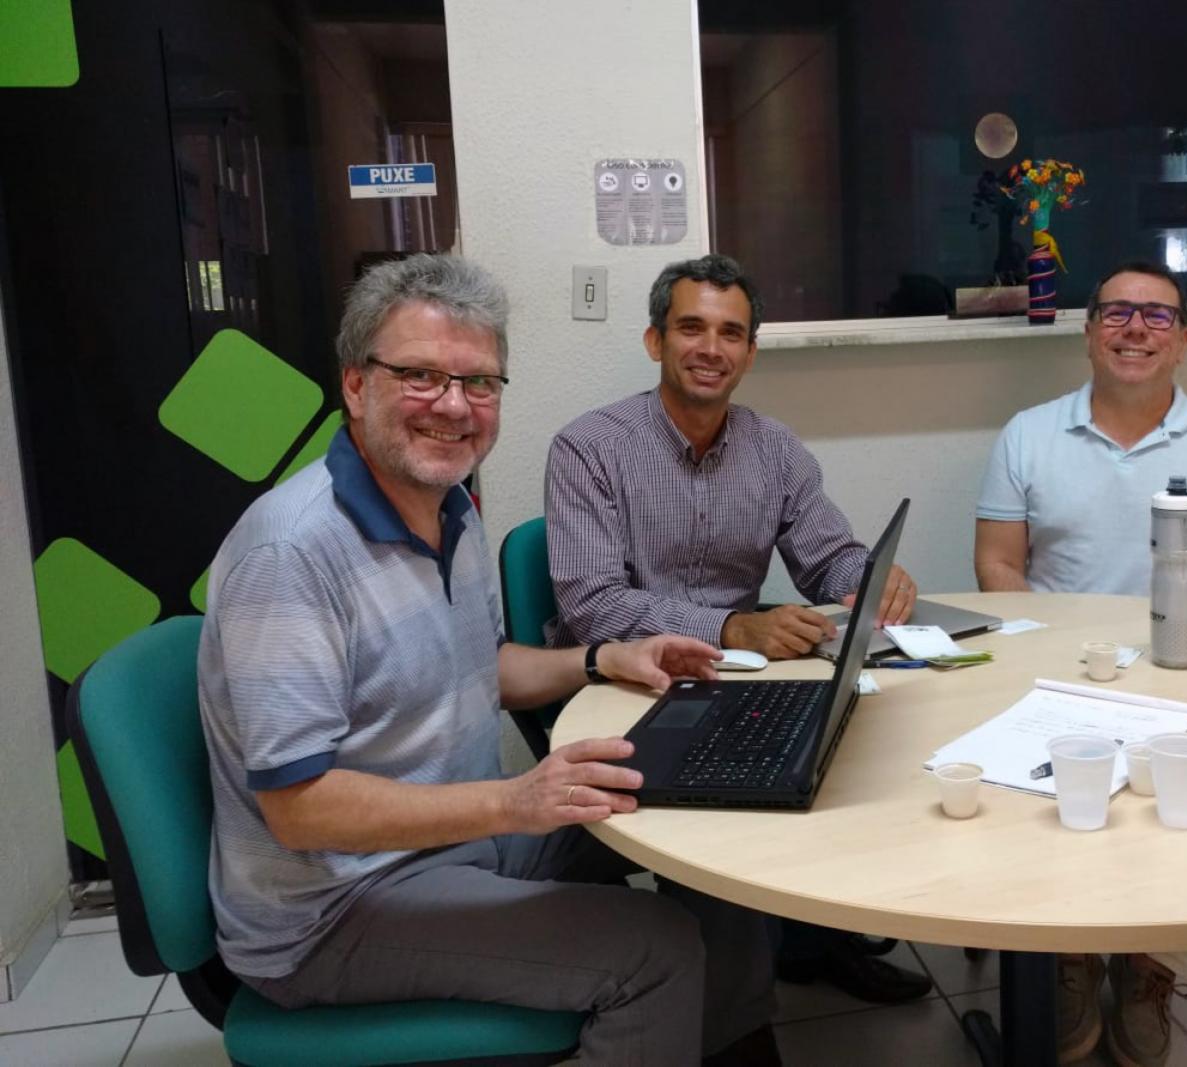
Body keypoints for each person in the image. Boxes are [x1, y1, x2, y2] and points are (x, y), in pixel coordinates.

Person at [197, 254, 779, 1067]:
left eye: (478, 382)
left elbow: (480, 665)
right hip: (334, 907)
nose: (453, 405)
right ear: (356, 385)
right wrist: (513, 800)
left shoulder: (451, 508)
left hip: (451, 846)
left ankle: (723, 1042)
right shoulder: (291, 553)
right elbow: (300, 807)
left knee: (704, 807)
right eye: (420, 375)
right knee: (656, 950)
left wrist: (607, 656)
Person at [544, 252, 932, 1005]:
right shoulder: (589, 448)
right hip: (624, 687)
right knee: (734, 801)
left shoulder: (774, 448)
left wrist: (867, 578)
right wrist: (731, 627)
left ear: (750, 353)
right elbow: (592, 605)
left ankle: (814, 943)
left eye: (731, 333)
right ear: (655, 340)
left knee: (850, 748)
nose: (711, 348)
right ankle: (735, 1017)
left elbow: (827, 556)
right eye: (691, 327)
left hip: (734, 678)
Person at [973, 260, 1187, 1067]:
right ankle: (1071, 951)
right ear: (1088, 333)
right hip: (1057, 673)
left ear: (1182, 341)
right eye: (1116, 313)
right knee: (1048, 793)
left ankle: (1152, 964)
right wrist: (1047, 652)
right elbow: (997, 565)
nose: (1136, 329)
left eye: (1157, 316)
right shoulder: (1028, 434)